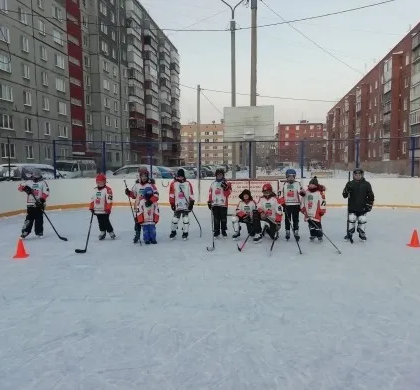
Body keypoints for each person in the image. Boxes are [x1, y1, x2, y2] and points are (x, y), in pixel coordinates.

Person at [125, 167, 159, 243]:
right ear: (140, 176)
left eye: (145, 176)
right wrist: (128, 193)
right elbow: (133, 195)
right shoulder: (136, 185)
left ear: (147, 177)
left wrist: (150, 201)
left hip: (148, 206)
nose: (144, 178)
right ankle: (137, 234)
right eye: (142, 176)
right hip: (138, 206)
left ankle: (150, 235)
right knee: (138, 221)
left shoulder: (151, 185)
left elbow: (156, 195)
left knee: (147, 221)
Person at [342, 168, 375, 241]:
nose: (357, 176)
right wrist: (347, 190)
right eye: (355, 175)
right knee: (352, 218)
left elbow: (371, 196)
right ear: (353, 175)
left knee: (362, 219)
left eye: (359, 175)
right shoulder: (350, 184)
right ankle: (349, 233)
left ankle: (361, 233)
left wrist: (369, 205)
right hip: (352, 206)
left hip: (362, 207)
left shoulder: (366, 184)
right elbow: (344, 195)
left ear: (362, 175)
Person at [18, 168, 50, 238]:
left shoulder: (43, 183)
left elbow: (46, 192)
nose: (36, 177)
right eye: (35, 175)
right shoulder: (28, 182)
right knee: (29, 218)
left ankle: (39, 232)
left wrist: (41, 200)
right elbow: (19, 188)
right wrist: (25, 189)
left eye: (37, 175)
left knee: (39, 219)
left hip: (39, 205)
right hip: (30, 204)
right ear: (32, 174)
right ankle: (25, 231)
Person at [168, 168, 195, 240]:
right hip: (177, 205)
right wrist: (172, 203)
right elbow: (171, 194)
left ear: (183, 176)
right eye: (179, 176)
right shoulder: (173, 184)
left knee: (185, 219)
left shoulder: (188, 183)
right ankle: (173, 232)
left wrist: (191, 202)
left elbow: (191, 193)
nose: (180, 178)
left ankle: (185, 233)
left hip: (186, 204)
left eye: (181, 176)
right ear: (177, 176)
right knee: (175, 219)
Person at [89, 173, 116, 240]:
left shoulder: (108, 189)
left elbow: (109, 200)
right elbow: (93, 199)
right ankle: (102, 232)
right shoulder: (95, 190)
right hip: (97, 210)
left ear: (104, 181)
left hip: (105, 210)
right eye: (98, 182)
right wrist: (91, 207)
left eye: (101, 182)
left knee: (106, 221)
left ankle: (110, 231)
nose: (100, 183)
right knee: (100, 222)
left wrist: (108, 208)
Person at [300, 176, 326, 242]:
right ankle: (313, 235)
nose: (311, 186)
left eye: (312, 184)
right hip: (308, 211)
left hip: (316, 212)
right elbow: (302, 201)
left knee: (317, 225)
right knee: (311, 225)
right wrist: (302, 208)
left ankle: (319, 236)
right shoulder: (306, 192)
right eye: (310, 184)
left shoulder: (319, 193)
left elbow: (323, 202)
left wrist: (322, 210)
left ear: (316, 185)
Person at [207, 168, 232, 238]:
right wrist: (209, 201)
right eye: (218, 175)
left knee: (223, 218)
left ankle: (223, 231)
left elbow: (228, 193)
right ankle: (216, 231)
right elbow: (210, 193)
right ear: (216, 175)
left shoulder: (227, 183)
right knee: (216, 218)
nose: (219, 176)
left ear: (223, 175)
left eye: (221, 175)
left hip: (223, 204)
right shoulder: (213, 184)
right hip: (215, 204)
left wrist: (226, 188)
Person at [280, 168, 303, 241]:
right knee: (287, 219)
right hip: (287, 205)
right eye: (289, 176)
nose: (291, 178)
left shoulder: (297, 183)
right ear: (286, 176)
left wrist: (302, 194)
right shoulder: (283, 184)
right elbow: (280, 194)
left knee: (295, 219)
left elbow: (301, 193)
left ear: (294, 177)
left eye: (292, 176)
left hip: (296, 204)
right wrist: (282, 202)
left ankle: (296, 231)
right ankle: (287, 231)